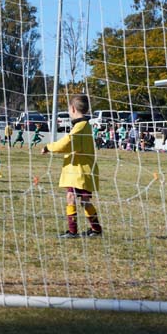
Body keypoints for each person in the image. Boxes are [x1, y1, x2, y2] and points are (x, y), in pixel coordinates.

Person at [42, 93, 103, 238]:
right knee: (82, 200)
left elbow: (67, 143)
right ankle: (96, 230)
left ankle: (73, 231)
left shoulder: (80, 127)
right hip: (81, 171)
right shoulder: (83, 125)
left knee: (74, 198)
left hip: (80, 172)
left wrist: (48, 147)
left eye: (69, 109)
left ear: (73, 109)